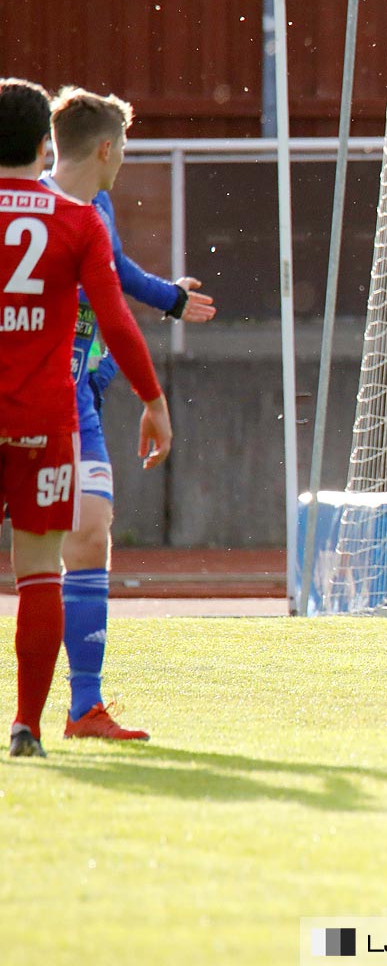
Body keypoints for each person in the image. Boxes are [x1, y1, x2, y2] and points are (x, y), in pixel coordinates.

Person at [0, 78, 171, 759]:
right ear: (46, 146)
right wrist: (154, 400)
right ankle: (25, 727)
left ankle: (77, 704)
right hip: (42, 421)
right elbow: (120, 320)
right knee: (40, 571)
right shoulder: (77, 221)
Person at [47, 88, 216, 741]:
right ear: (106, 147)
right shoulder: (30, 205)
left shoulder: (100, 208)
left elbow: (113, 277)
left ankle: (81, 707)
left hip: (79, 392)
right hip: (29, 388)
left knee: (88, 534)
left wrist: (170, 298)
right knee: (51, 544)